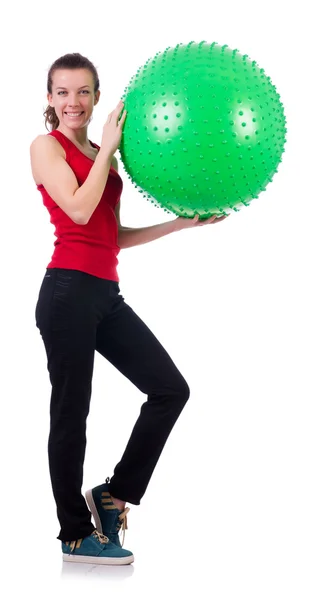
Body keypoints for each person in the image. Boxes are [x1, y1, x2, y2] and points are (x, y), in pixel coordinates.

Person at [30, 52, 227, 566]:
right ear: (50, 99)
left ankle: (112, 495)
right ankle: (74, 534)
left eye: (83, 92)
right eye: (63, 92)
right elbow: (76, 208)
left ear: (96, 97)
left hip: (104, 294)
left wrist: (181, 224)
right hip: (66, 293)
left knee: (169, 390)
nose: (73, 101)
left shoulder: (103, 154)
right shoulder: (45, 148)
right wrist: (106, 154)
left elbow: (111, 234)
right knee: (71, 415)